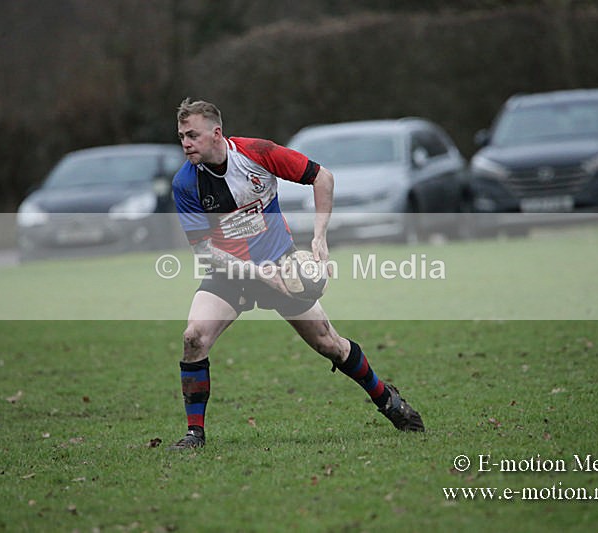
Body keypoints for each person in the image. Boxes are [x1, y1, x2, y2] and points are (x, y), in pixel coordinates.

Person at [169, 98, 424, 450]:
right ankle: (194, 433)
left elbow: (322, 177)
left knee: (328, 344)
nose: (185, 143)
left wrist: (319, 236)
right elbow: (203, 251)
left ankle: (386, 400)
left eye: (192, 135)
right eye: (182, 136)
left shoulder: (256, 153)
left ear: (216, 133)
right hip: (230, 272)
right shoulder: (186, 183)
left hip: (283, 266)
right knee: (194, 337)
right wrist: (258, 274)